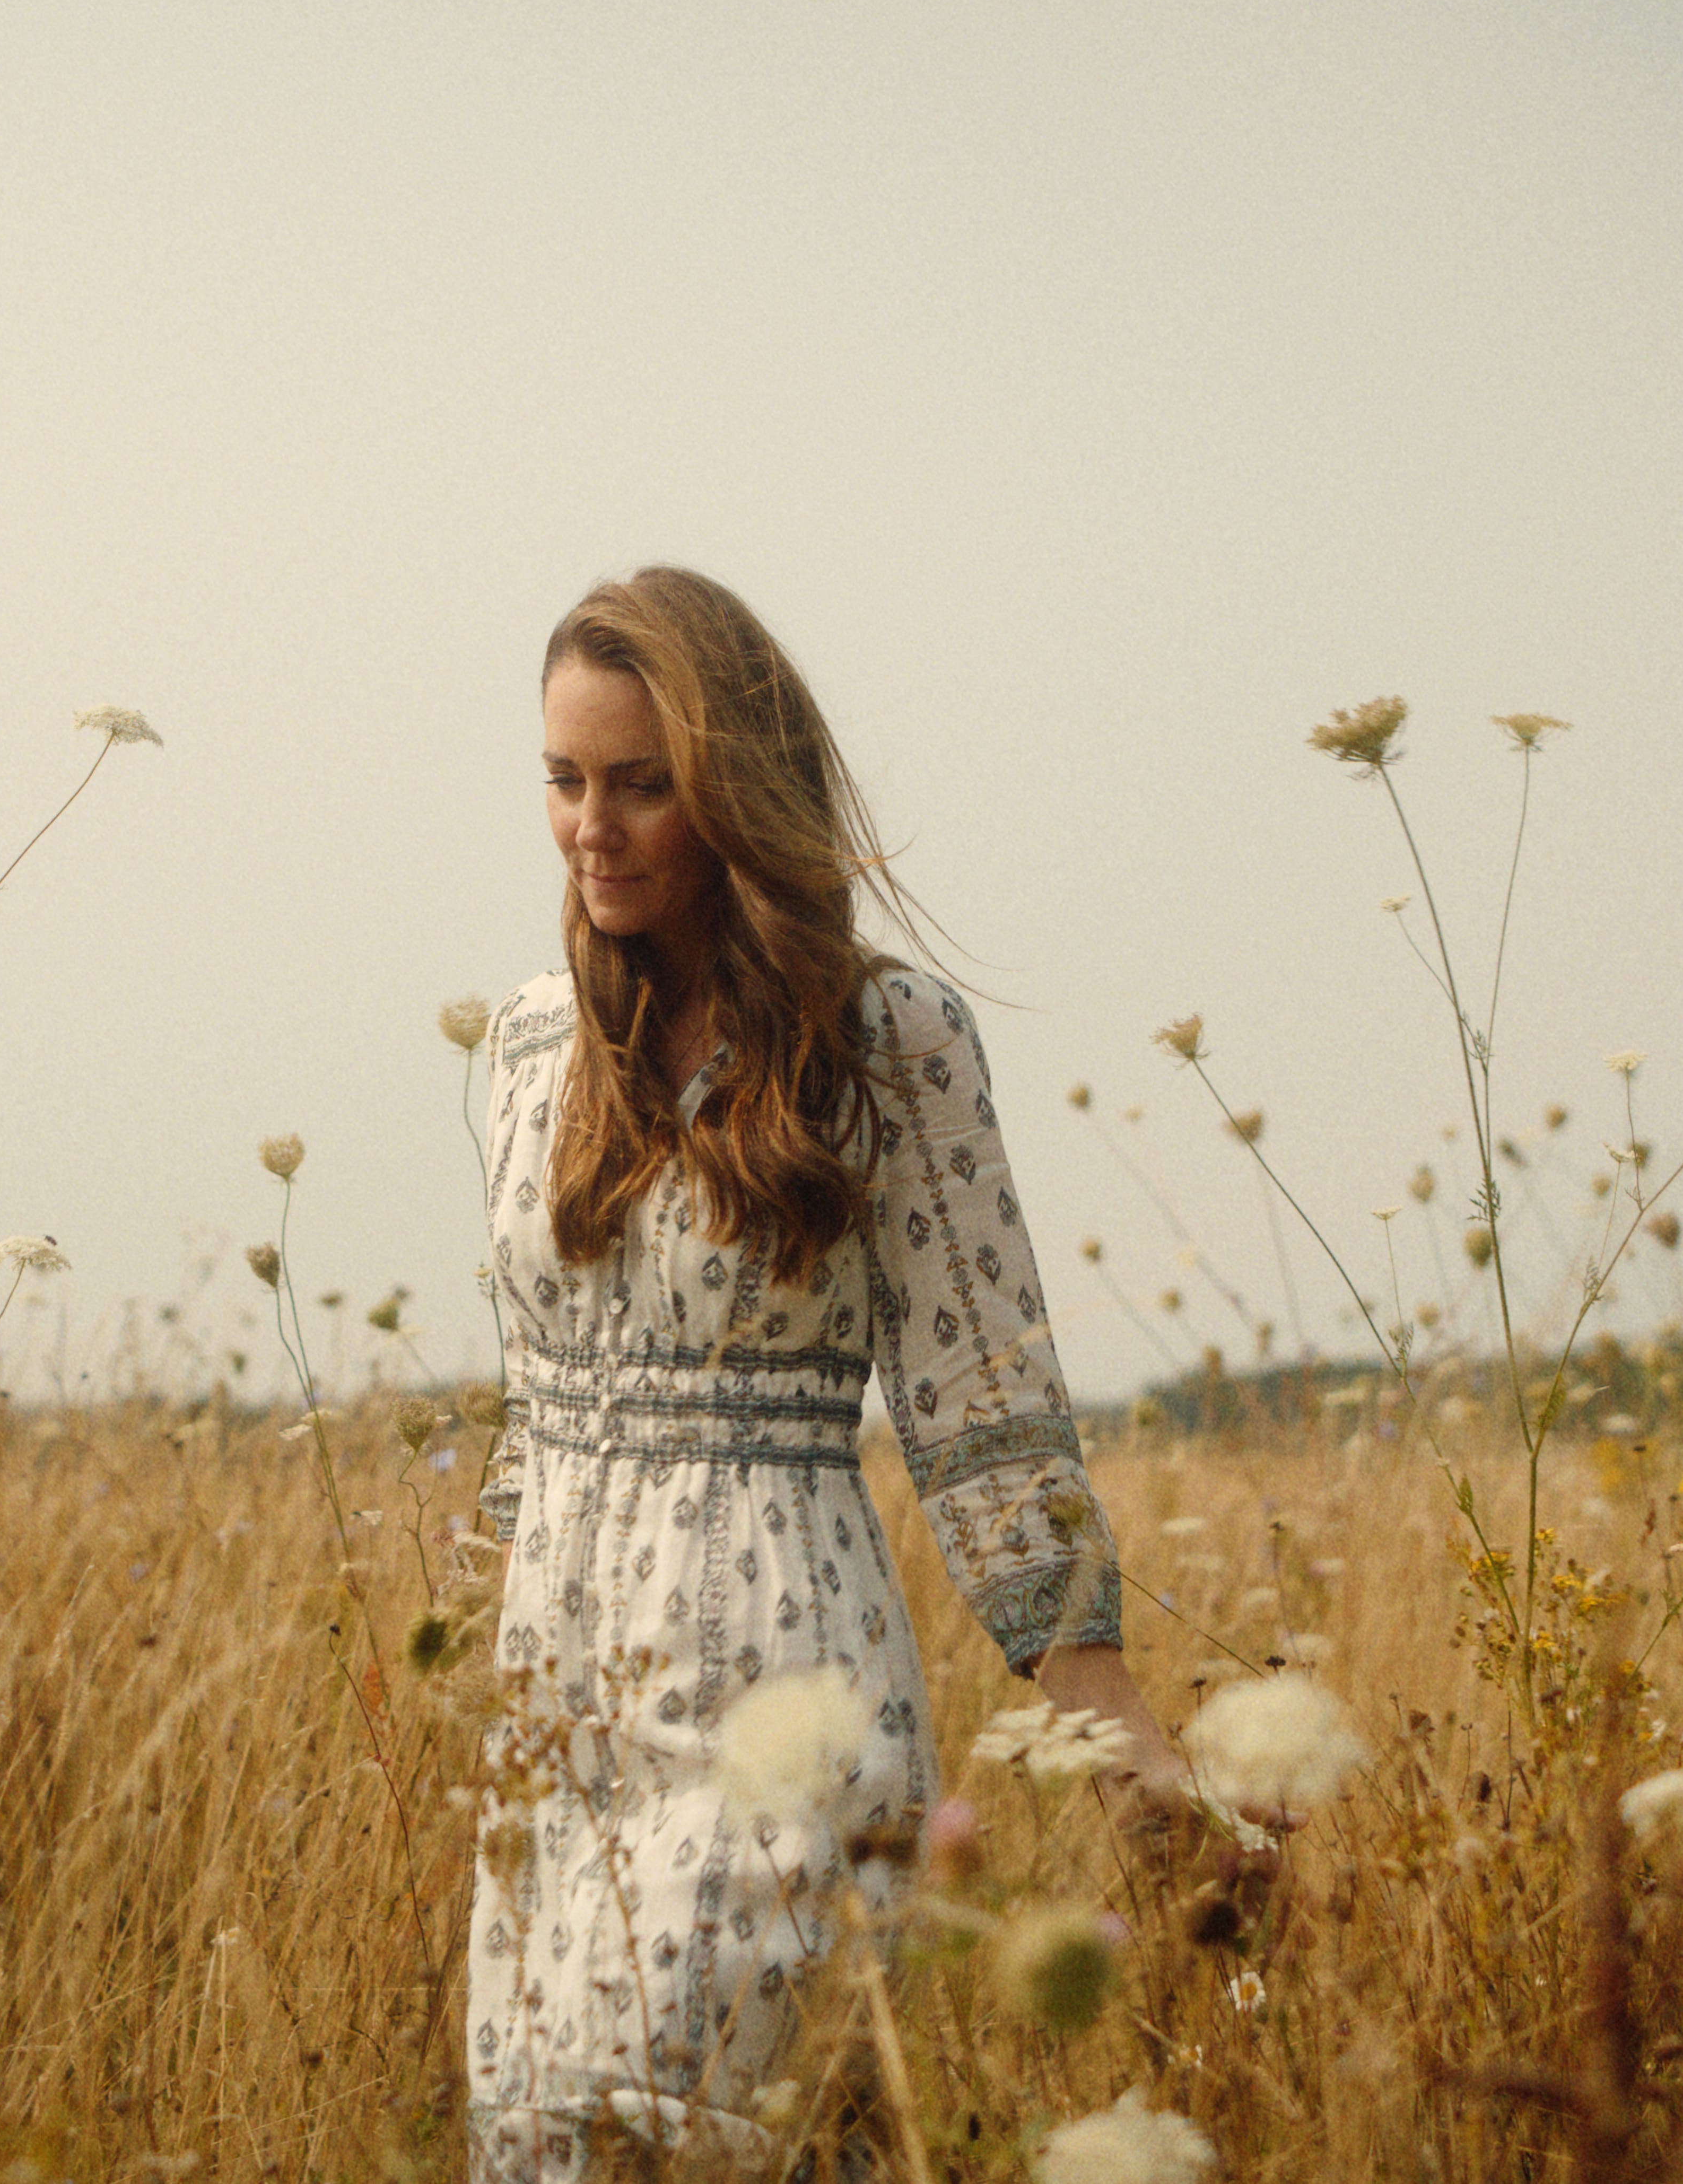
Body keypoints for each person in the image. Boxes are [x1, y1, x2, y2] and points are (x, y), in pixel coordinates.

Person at [467, 565, 1193, 2174]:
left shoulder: (892, 1043)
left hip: (781, 1687)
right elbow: (528, 1412)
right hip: (560, 1708)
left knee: (729, 2126)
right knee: (549, 2138)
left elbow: (981, 1406)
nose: (591, 825)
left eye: (641, 786)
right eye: (563, 780)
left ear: (735, 794)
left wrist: (1113, 1729)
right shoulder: (524, 1047)